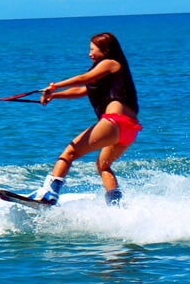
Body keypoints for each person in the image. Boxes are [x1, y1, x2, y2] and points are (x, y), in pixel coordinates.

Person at [28, 32, 141, 206]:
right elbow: (81, 91)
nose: (90, 54)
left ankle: (49, 193)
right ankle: (115, 205)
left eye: (92, 49)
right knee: (103, 166)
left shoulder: (110, 63)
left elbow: (84, 79)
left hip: (115, 122)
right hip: (129, 130)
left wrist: (54, 85)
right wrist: (54, 96)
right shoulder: (109, 75)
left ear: (105, 50)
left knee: (69, 153)